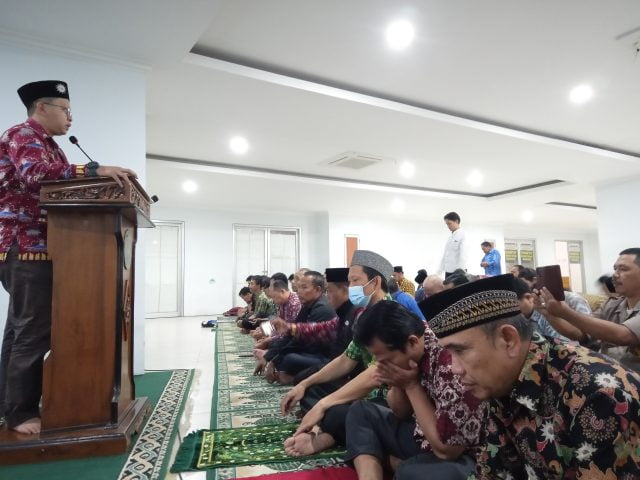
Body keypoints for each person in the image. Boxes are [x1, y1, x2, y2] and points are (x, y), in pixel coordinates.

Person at [0, 80, 136, 434]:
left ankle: (10, 405)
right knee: (32, 329)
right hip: (25, 246)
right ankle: (19, 414)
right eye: (65, 110)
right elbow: (34, 176)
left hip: (45, 246)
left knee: (21, 328)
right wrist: (93, 170)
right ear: (42, 107)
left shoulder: (53, 148)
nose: (70, 118)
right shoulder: (22, 134)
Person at [426, 274, 640, 479]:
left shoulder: (599, 396)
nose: (454, 368)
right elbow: (493, 469)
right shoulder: (500, 381)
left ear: (508, 340)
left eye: (460, 351)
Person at [344, 301, 483, 480]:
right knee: (360, 411)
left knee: (409, 473)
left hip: (464, 455)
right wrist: (400, 383)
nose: (381, 365)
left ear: (412, 342)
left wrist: (411, 385)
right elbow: (400, 412)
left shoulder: (449, 362)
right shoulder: (410, 345)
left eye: (386, 360)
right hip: (423, 435)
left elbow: (448, 450)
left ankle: (392, 461)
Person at [281, 250, 393, 456]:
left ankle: (327, 435)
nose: (351, 287)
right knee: (313, 390)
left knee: (338, 412)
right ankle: (327, 432)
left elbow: (376, 374)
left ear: (375, 282)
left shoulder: (391, 316)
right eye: (349, 282)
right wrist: (304, 384)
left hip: (389, 399)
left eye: (355, 281)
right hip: (365, 392)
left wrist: (324, 404)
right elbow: (346, 359)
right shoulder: (366, 315)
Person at [541, 248, 640, 371]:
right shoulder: (612, 305)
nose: (615, 275)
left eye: (623, 269)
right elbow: (580, 335)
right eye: (615, 269)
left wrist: (565, 312)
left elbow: (624, 335)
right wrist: (548, 314)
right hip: (608, 373)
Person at [439, 212, 466, 278]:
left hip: (458, 272)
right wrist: (439, 272)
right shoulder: (450, 237)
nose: (448, 226)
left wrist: (460, 274)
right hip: (448, 271)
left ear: (456, 221)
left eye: (449, 223)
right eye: (447, 224)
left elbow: (463, 255)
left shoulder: (464, 235)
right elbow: (445, 255)